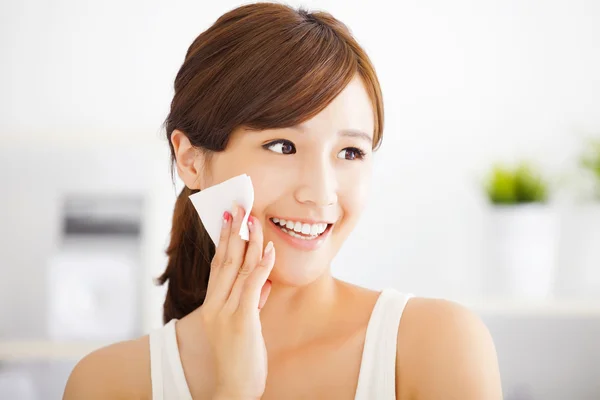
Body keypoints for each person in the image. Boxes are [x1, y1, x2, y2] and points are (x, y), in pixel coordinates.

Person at [63, 3, 502, 399]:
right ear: (191, 159)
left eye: (350, 152)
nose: (321, 192)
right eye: (282, 146)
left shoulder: (437, 345)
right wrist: (234, 390)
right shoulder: (107, 383)